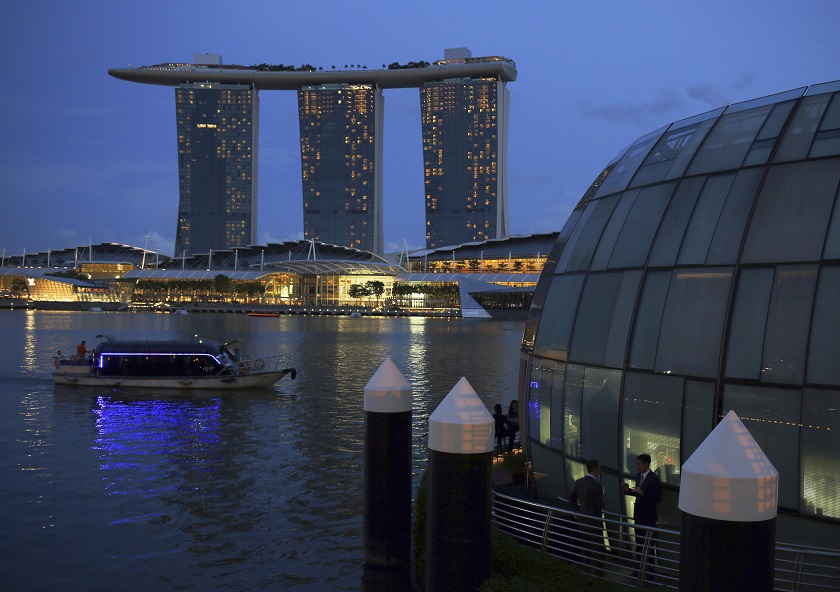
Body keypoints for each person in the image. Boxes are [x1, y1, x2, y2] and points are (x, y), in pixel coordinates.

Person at [622, 453, 662, 581]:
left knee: (648, 545)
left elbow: (658, 497)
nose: (637, 466)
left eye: (639, 464)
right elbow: (638, 494)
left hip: (648, 517)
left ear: (646, 464)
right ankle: (638, 570)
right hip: (639, 516)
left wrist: (642, 493)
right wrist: (628, 491)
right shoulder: (639, 476)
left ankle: (649, 574)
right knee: (639, 544)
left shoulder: (654, 479)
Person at [568, 459, 605, 572]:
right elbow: (600, 506)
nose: (600, 471)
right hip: (594, 520)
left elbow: (571, 497)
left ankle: (586, 569)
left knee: (586, 544)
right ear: (595, 469)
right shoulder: (596, 485)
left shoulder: (579, 482)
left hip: (583, 519)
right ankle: (598, 571)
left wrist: (576, 510)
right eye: (599, 468)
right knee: (597, 546)